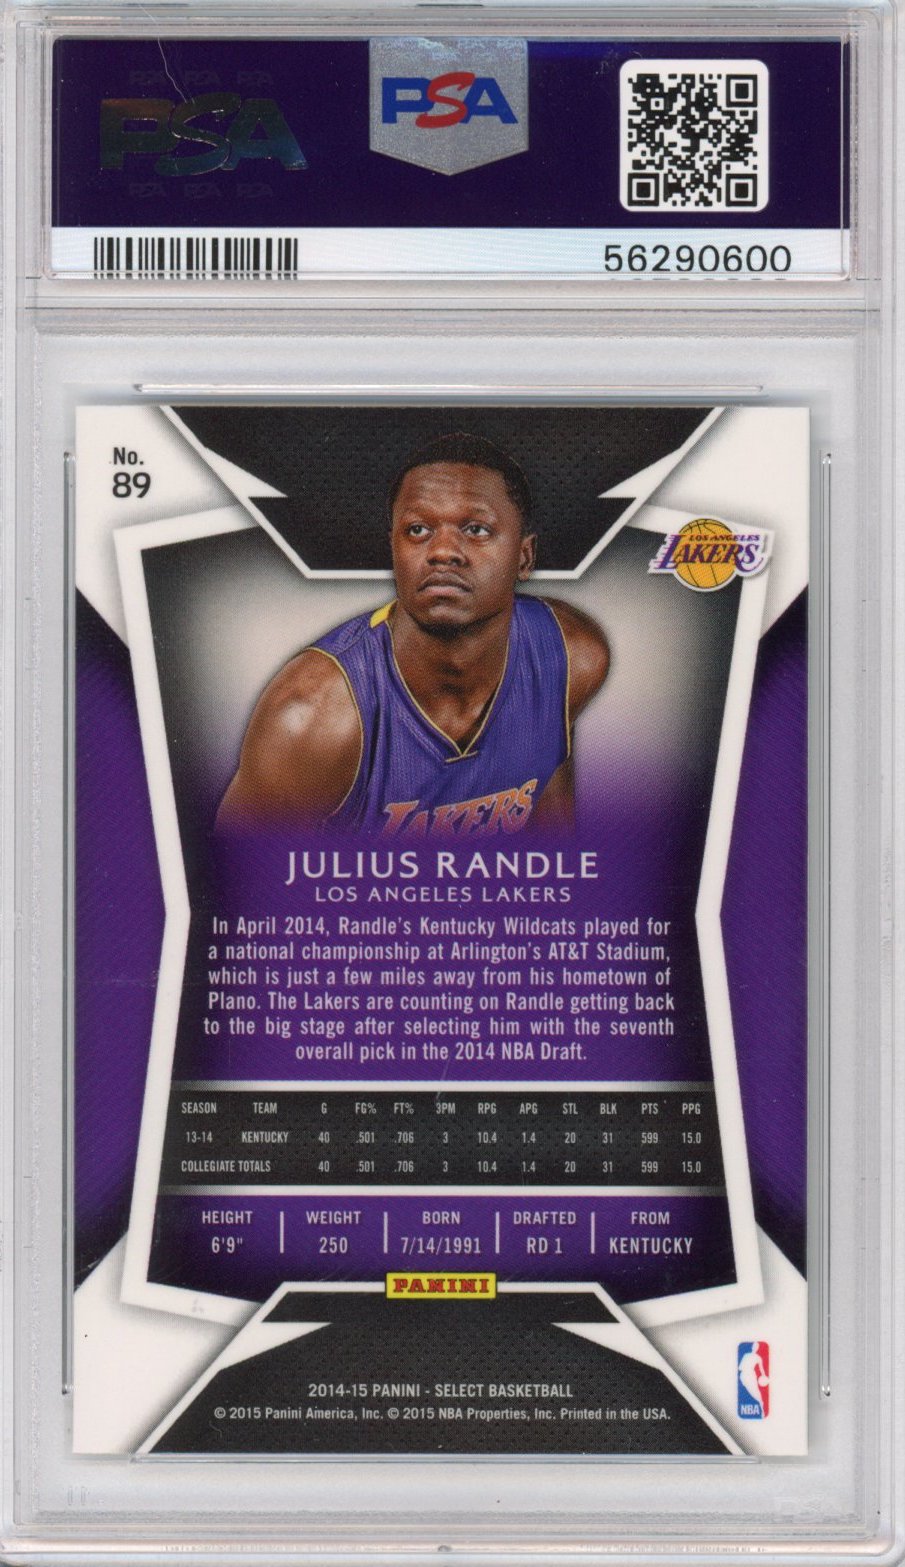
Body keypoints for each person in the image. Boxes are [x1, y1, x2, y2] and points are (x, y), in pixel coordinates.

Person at [218, 433, 609, 837]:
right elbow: (236, 873)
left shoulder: (570, 657)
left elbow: (550, 835)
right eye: (418, 530)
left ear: (524, 557)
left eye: (475, 529)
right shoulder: (311, 718)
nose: (443, 551)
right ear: (394, 550)